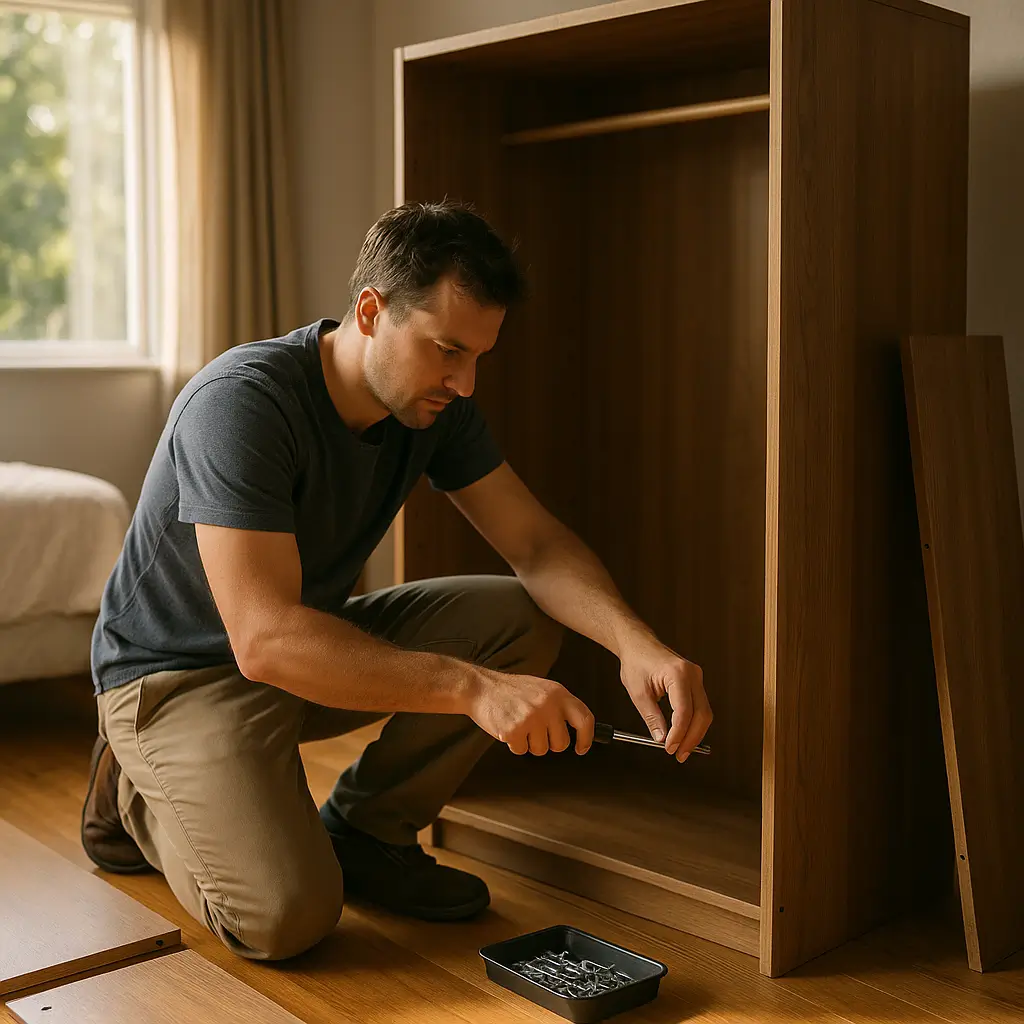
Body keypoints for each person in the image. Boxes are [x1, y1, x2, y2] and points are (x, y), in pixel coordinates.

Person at [82, 200, 712, 961]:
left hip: (300, 651)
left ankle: (369, 832)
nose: (466, 382)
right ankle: (134, 794)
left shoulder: (432, 405)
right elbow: (264, 638)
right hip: (179, 679)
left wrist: (635, 644)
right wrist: (477, 690)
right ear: (372, 311)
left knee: (520, 616)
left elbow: (538, 545)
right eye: (448, 349)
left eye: (480, 356)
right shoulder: (241, 403)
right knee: (287, 918)